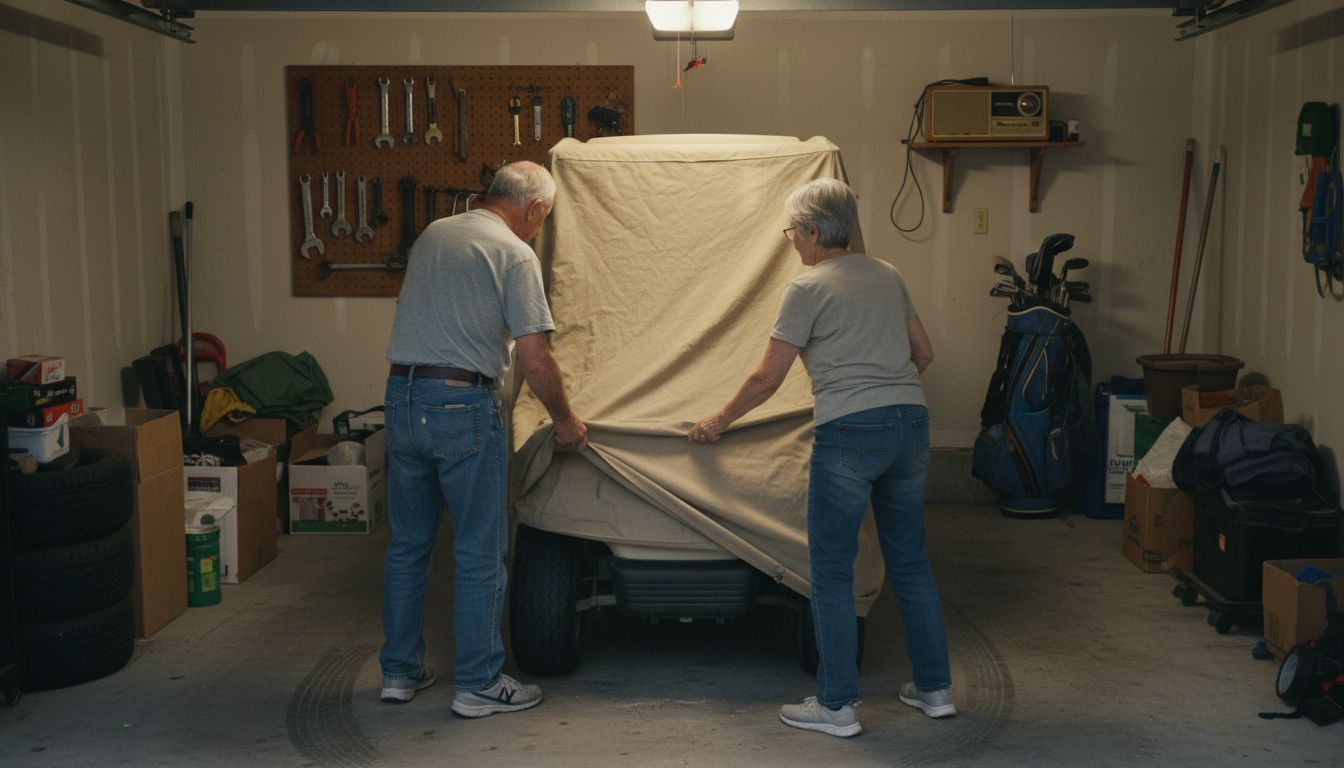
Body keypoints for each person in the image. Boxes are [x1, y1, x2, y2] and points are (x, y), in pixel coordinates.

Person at [688, 178, 953, 738]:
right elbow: (922, 353)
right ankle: (935, 690)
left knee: (831, 570)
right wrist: (886, 393)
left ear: (812, 231)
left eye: (793, 233)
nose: (792, 244)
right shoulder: (888, 274)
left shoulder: (807, 288)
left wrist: (718, 421)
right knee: (910, 562)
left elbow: (767, 376)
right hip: (912, 420)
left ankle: (837, 706)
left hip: (850, 430)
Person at [380, 161, 588, 718]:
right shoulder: (514, 254)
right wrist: (565, 421)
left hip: (401, 398)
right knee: (479, 550)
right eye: (542, 219)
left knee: (407, 546)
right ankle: (478, 682)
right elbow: (536, 359)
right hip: (461, 404)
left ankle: (399, 672)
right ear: (535, 209)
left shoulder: (435, 233)